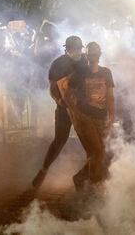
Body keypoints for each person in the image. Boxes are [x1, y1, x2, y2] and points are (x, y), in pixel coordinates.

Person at [57, 42, 115, 191]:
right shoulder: (80, 73)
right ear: (86, 55)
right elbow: (64, 88)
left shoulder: (106, 72)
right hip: (86, 119)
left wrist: (112, 116)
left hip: (101, 118)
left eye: (96, 52)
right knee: (98, 152)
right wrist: (75, 112)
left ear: (100, 54)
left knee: (97, 154)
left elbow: (110, 97)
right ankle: (96, 187)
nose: (93, 55)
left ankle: (81, 178)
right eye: (90, 52)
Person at [31, 35, 86, 189]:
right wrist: (60, 101)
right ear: (66, 49)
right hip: (64, 108)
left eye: (79, 49)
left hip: (82, 108)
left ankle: (84, 175)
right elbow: (53, 87)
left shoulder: (84, 61)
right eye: (74, 49)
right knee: (60, 140)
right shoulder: (59, 64)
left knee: (89, 140)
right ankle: (43, 170)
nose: (77, 52)